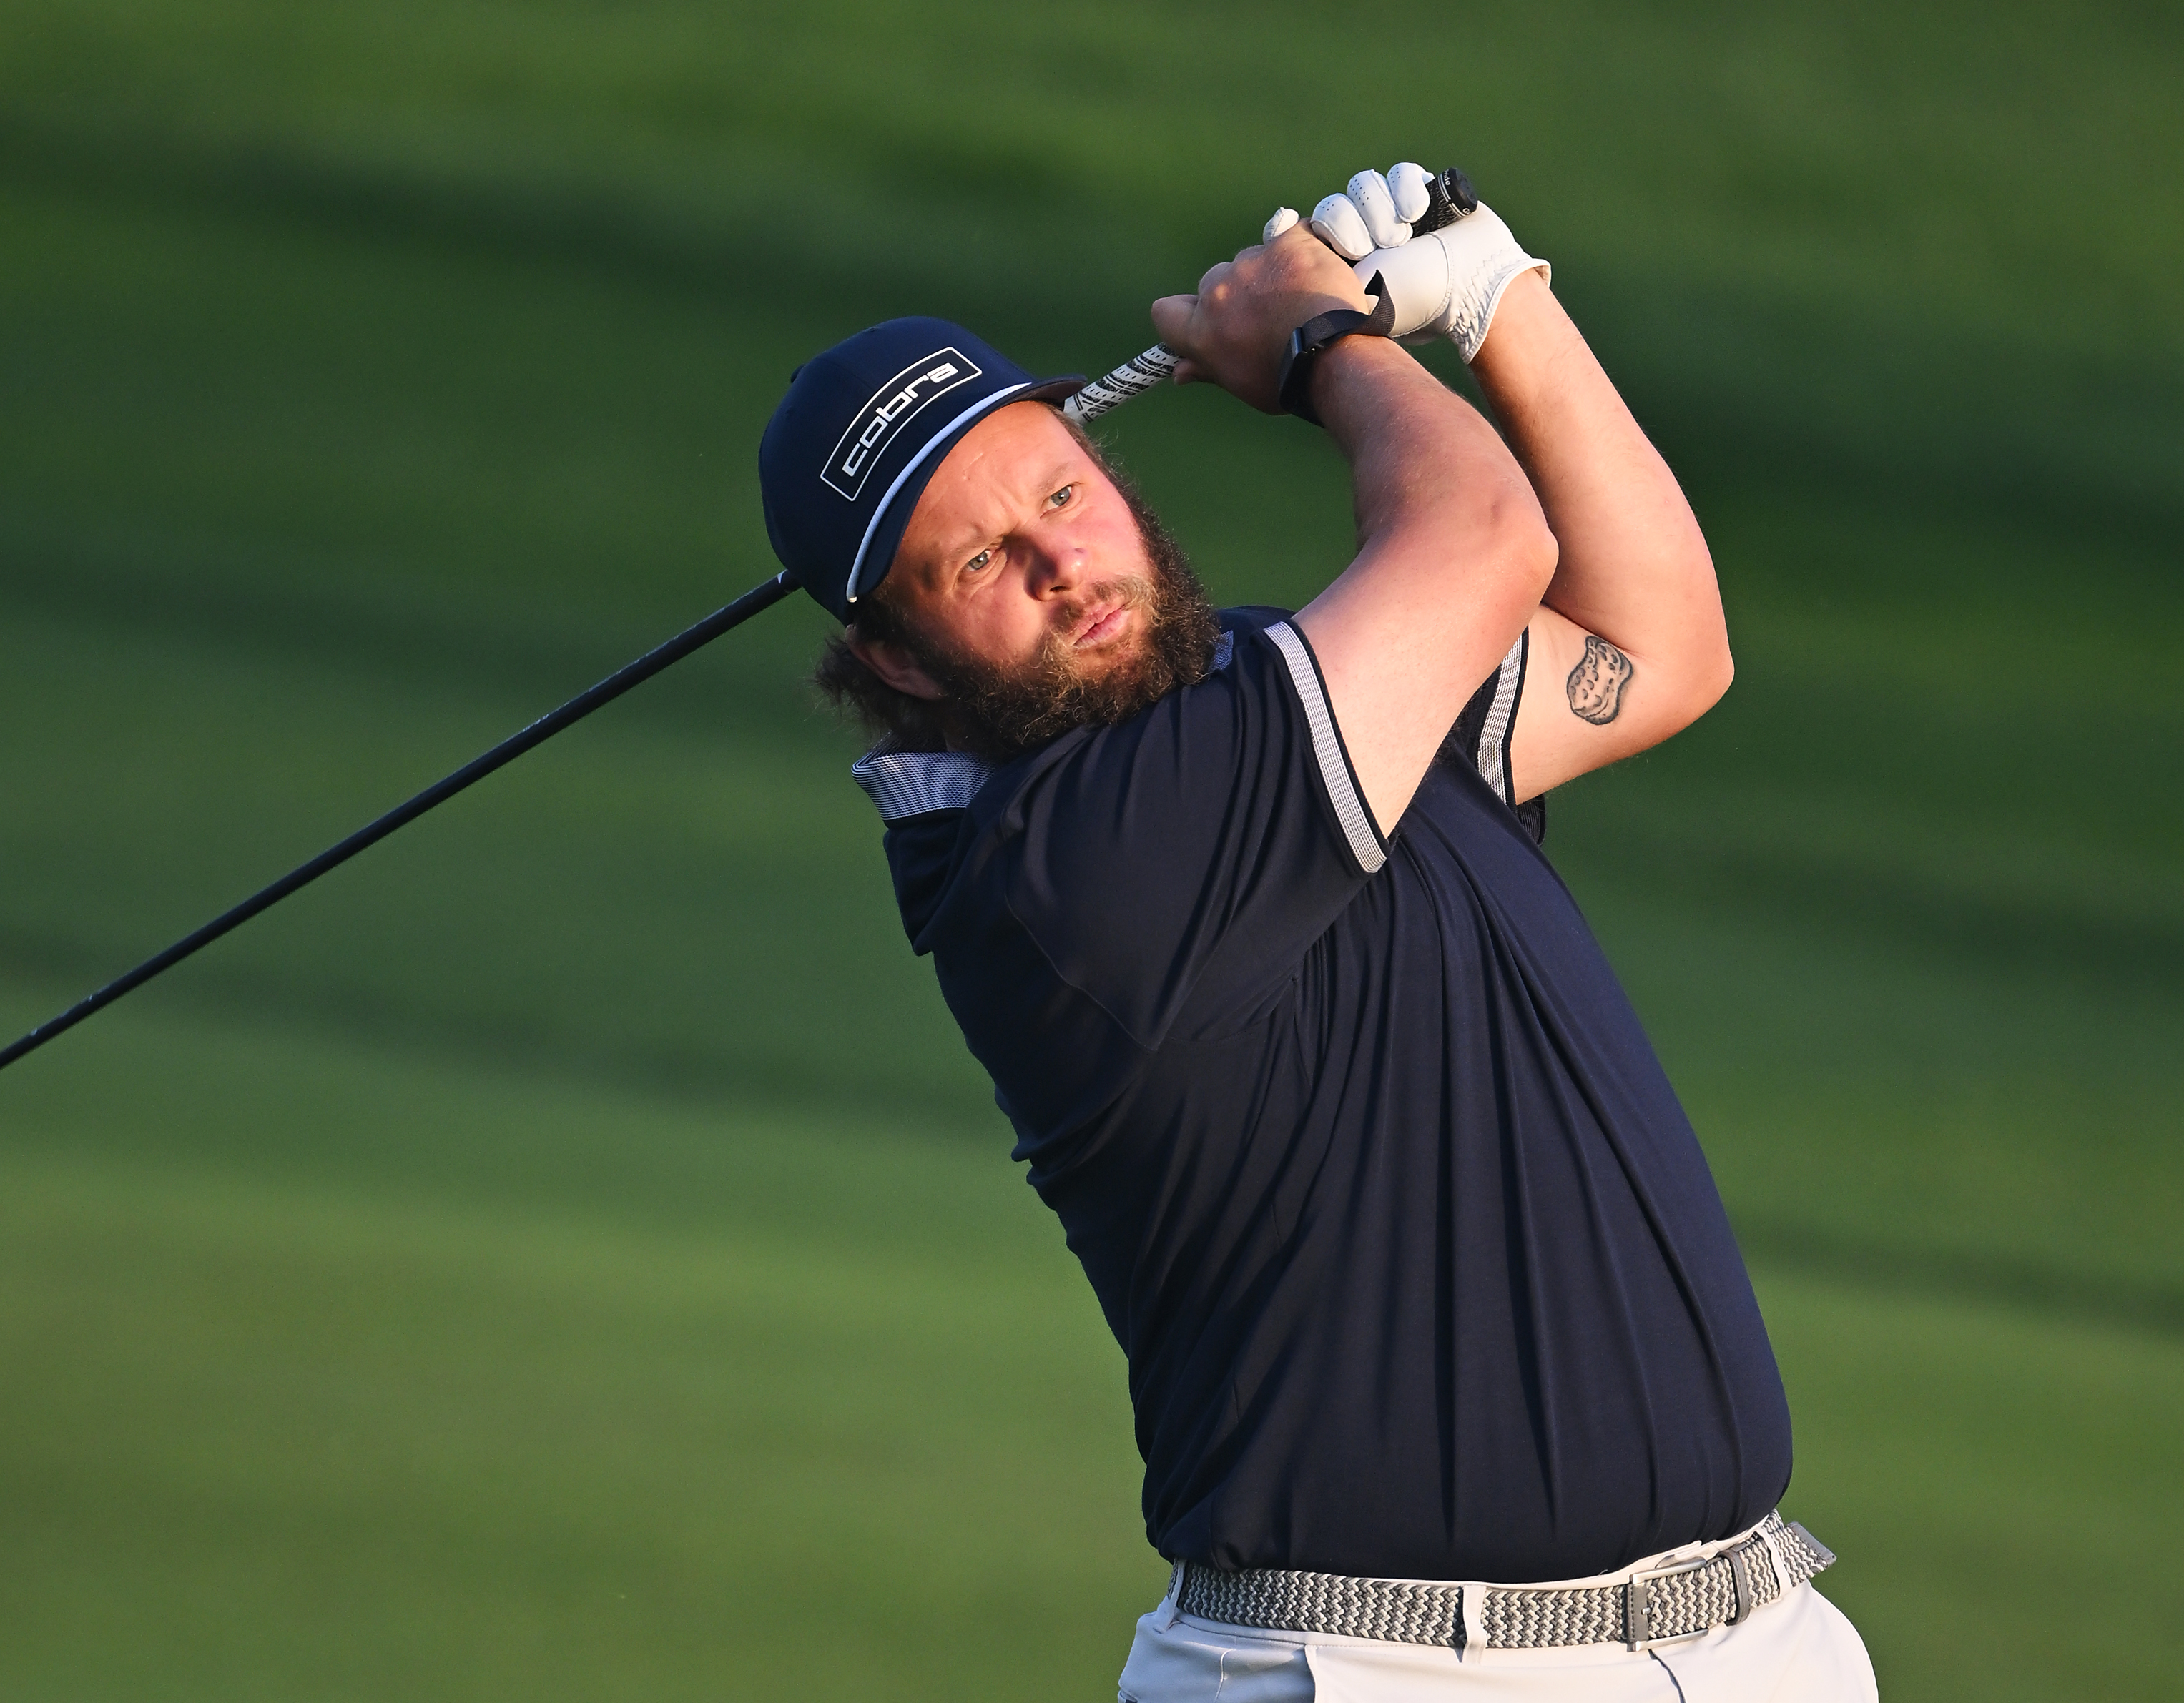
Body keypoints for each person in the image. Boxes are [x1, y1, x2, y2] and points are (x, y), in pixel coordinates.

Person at [756, 164, 1876, 1701]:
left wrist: (1498, 302)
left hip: (1750, 1640)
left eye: (1058, 493)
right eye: (974, 565)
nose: (1060, 565)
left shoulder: (1290, 687)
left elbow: (1655, 650)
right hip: (1387, 1670)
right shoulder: (1063, 867)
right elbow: (1480, 540)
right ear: (904, 662)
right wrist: (1320, 348)